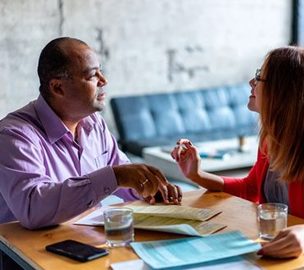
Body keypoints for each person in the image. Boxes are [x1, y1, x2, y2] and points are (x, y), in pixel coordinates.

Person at [171, 46, 304, 258]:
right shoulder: (273, 137)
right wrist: (197, 175)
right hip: (279, 253)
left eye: (260, 76)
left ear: (284, 89)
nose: (252, 83)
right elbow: (250, 189)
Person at [0, 37, 182, 230]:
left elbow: (124, 174)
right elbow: (33, 208)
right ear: (58, 87)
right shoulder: (14, 136)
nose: (104, 81)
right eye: (92, 75)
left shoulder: (94, 124)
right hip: (27, 253)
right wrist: (116, 177)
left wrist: (151, 188)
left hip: (86, 240)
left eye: (101, 71)